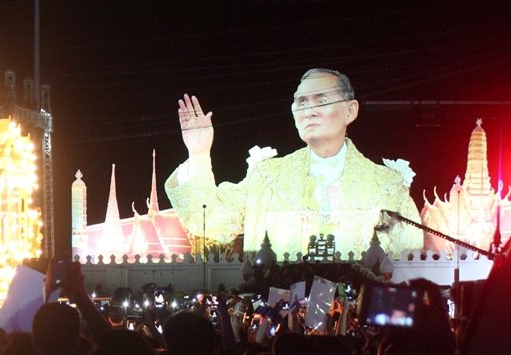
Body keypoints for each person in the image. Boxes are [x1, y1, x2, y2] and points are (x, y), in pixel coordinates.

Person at [165, 68, 423, 257]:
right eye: (300, 102)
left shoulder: (386, 184)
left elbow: (410, 254)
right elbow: (210, 220)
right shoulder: (268, 177)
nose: (308, 110)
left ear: (350, 111)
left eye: (321, 101)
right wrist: (198, 155)